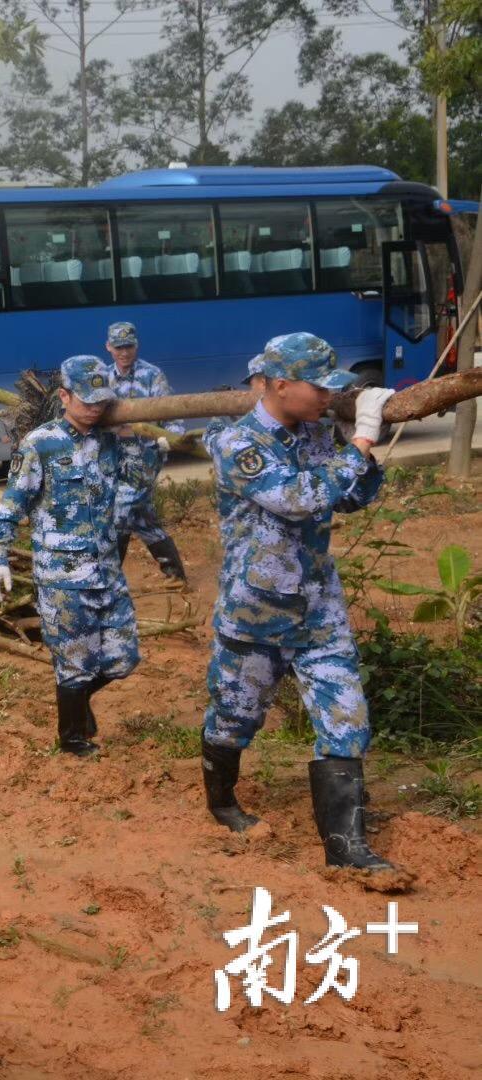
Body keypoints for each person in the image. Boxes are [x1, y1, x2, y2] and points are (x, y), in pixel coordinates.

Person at [201, 332, 398, 873]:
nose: (328, 396)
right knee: (234, 718)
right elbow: (298, 499)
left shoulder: (312, 433)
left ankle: (345, 847)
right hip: (256, 608)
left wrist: (355, 446)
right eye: (320, 388)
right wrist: (358, 441)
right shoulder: (236, 443)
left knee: (346, 715)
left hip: (317, 606)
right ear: (281, 385)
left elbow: (351, 497)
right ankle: (221, 800)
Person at [0, 355, 146, 756]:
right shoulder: (40, 443)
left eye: (101, 401)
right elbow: (13, 501)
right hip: (62, 576)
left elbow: (138, 488)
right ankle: (73, 739)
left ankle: (76, 702)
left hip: (106, 569)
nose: (95, 408)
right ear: (64, 396)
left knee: (124, 658)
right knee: (74, 663)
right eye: (87, 400)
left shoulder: (110, 440)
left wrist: (137, 441)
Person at [102, 322, 187, 582]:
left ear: (136, 346)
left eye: (128, 346)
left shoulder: (153, 375)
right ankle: (175, 574)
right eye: (118, 347)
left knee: (120, 511)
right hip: (115, 459)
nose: (124, 352)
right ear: (108, 348)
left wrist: (169, 438)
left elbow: (171, 414)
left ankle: (108, 579)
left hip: (145, 457)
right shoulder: (103, 378)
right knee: (143, 520)